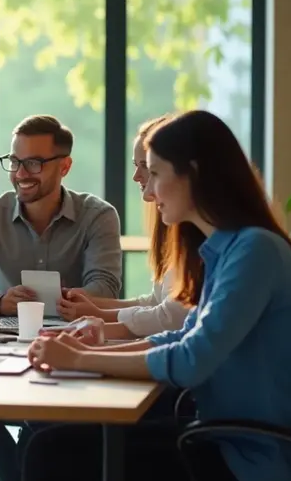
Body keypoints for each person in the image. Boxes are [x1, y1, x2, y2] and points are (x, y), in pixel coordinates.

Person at [25, 110, 291, 481]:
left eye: (154, 175)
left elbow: (190, 361)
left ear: (193, 174)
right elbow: (183, 336)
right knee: (48, 432)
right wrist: (98, 345)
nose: (148, 192)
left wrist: (82, 358)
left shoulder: (254, 251)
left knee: (52, 449)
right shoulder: (229, 249)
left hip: (249, 461)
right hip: (223, 438)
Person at [0, 114, 123, 481]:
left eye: (33, 163)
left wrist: (76, 301)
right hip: (10, 341)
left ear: (65, 166)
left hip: (73, 346)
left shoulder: (98, 215)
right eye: (14, 161)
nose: (20, 173)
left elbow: (106, 288)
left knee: (47, 436)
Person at [58, 115, 192, 342]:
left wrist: (98, 323)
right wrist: (95, 308)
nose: (137, 177)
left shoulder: (214, 244)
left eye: (148, 168)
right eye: (136, 165)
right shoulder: (175, 228)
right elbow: (157, 302)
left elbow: (173, 317)